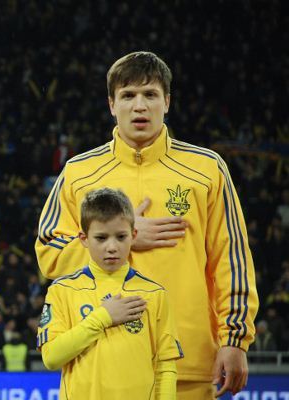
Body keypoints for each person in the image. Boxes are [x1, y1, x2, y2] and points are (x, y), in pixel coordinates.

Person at [35, 52, 258, 398]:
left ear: (167, 102)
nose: (139, 106)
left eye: (150, 94)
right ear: (112, 104)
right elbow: (49, 251)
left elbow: (232, 260)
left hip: (187, 363)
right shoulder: (79, 172)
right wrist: (123, 237)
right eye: (127, 95)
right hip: (98, 368)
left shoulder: (206, 169)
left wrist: (235, 339)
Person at [38, 188, 182, 399]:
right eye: (101, 238)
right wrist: (103, 317)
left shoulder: (154, 293)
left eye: (121, 237)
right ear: (84, 238)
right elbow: (51, 358)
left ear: (133, 236)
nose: (112, 247)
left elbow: (165, 366)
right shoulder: (62, 290)